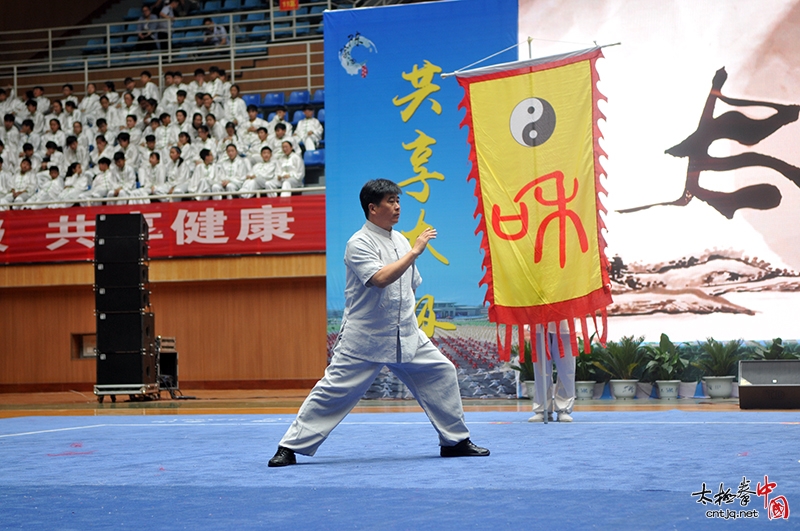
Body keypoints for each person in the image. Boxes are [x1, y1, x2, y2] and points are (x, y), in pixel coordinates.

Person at [268, 179, 490, 467]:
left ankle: (455, 441)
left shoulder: (399, 240)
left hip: (405, 333)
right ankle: (289, 447)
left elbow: (411, 284)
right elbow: (380, 280)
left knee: (441, 371)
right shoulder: (358, 243)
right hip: (366, 336)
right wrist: (416, 251)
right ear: (372, 208)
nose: (397, 207)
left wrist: (409, 265)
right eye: (390, 201)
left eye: (398, 201)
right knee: (334, 390)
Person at [528, 321, 576, 423]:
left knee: (566, 368)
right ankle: (542, 409)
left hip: (564, 319)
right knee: (541, 369)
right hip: (538, 319)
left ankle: (564, 408)